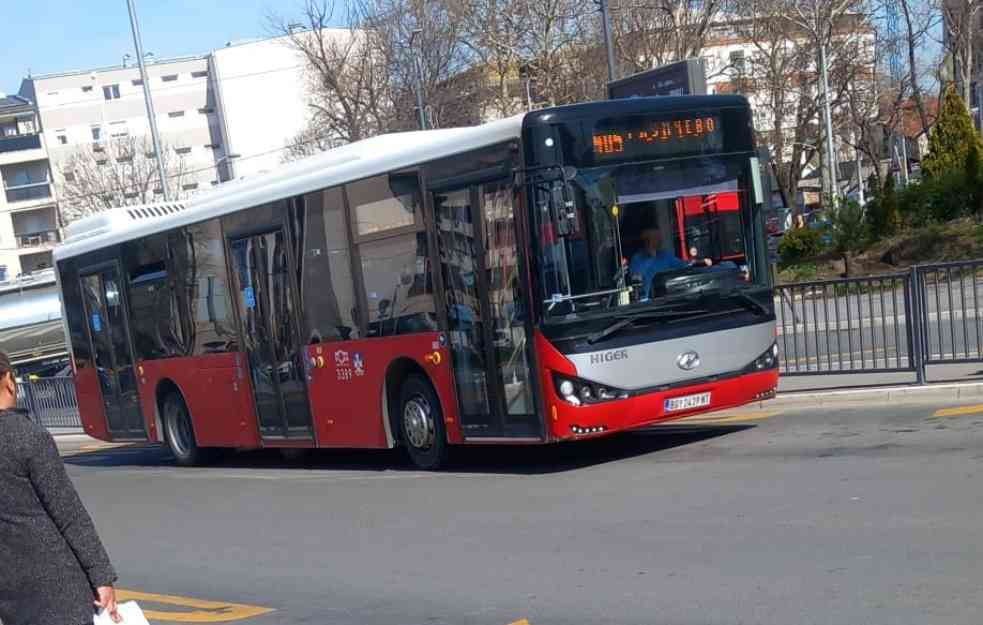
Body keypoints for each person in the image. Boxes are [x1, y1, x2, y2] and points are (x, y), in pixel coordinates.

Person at [0, 350, 122, 625]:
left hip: (10, 593)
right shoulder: (28, 437)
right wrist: (101, 576)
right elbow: (68, 514)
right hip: (57, 589)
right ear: (9, 381)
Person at [629, 227, 710, 298]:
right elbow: (636, 280)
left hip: (667, 298)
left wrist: (698, 262)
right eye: (656, 238)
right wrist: (651, 258)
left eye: (659, 238)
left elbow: (682, 265)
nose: (660, 241)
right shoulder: (637, 259)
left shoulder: (665, 256)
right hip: (648, 304)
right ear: (647, 241)